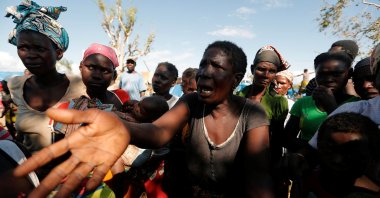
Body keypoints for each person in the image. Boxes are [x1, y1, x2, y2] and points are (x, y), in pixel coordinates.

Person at [15, 40, 272, 198]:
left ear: (236, 79)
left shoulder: (252, 114)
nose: (205, 72)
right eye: (203, 64)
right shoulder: (191, 103)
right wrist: (120, 126)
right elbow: (158, 132)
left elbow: (258, 180)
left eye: (217, 67)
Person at [5, 1, 86, 153]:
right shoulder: (15, 86)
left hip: (70, 173)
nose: (30, 56)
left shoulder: (80, 86)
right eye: (23, 48)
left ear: (59, 53)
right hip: (29, 173)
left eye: (39, 48)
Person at [285, 52, 359, 151]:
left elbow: (354, 146)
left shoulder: (358, 105)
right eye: (322, 74)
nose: (329, 79)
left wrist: (331, 107)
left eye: (336, 74)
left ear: (349, 74)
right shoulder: (303, 103)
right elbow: (287, 139)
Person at [311, 113, 380, 197]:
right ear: (318, 145)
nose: (337, 159)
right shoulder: (309, 180)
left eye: (351, 152)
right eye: (329, 149)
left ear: (372, 155)